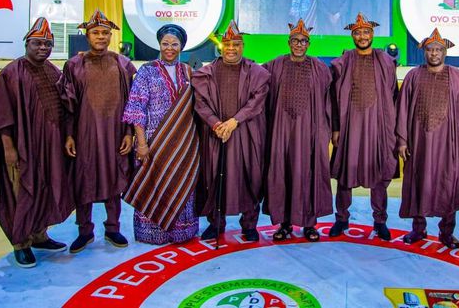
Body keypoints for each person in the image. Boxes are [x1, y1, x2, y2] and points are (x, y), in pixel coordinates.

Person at [0, 18, 73, 268]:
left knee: (47, 188)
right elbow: (2, 115)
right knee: (21, 192)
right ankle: (20, 244)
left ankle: (39, 235)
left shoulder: (53, 71)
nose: (43, 48)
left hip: (50, 146)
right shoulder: (11, 73)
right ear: (27, 44)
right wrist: (8, 148)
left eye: (48, 44)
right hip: (22, 147)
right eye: (37, 43)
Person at [60, 9, 136, 253]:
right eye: (96, 33)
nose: (101, 37)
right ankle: (85, 231)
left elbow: (132, 103)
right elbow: (68, 104)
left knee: (114, 178)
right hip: (85, 134)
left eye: (105, 33)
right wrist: (69, 134)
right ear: (87, 36)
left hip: (115, 133)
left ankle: (113, 228)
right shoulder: (74, 65)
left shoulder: (123, 64)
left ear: (111, 36)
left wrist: (129, 133)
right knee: (84, 180)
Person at [193, 21, 270, 242]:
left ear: (242, 46)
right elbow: (200, 103)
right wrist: (216, 124)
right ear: (221, 46)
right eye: (227, 44)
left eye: (236, 44)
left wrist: (234, 122)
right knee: (215, 177)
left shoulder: (257, 73)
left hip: (246, 133)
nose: (231, 49)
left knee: (250, 177)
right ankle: (216, 224)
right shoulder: (206, 73)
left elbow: (257, 101)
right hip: (216, 135)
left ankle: (249, 225)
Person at [122, 24, 199, 244]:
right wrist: (142, 143)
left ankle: (182, 231)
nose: (169, 48)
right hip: (154, 142)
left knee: (181, 183)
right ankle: (153, 232)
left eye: (174, 44)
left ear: (181, 46)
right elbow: (136, 108)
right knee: (154, 184)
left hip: (184, 143)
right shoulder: (147, 71)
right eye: (165, 43)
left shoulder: (189, 72)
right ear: (159, 44)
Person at [396, 28, 459, 248]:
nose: (434, 53)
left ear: (445, 52)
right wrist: (402, 140)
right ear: (424, 51)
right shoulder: (413, 76)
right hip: (419, 142)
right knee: (418, 183)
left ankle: (447, 232)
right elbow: (402, 109)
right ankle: (418, 229)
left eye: (438, 49)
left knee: (448, 185)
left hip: (449, 144)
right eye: (430, 49)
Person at [329, 13, 398, 240]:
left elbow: (393, 96)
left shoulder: (385, 61)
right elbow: (333, 97)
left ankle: (380, 221)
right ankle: (342, 219)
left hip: (378, 126)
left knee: (379, 175)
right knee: (345, 175)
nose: (362, 36)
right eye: (357, 33)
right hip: (350, 126)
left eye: (366, 32)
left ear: (372, 34)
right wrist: (336, 128)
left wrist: (392, 130)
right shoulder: (342, 62)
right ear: (352, 36)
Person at [263, 19, 333, 242]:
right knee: (283, 173)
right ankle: (284, 224)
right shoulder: (274, 65)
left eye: (303, 41)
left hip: (310, 132)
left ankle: (310, 225)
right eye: (295, 40)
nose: (299, 44)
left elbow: (329, 100)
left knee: (309, 173)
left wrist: (325, 131)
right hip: (282, 131)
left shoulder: (320, 68)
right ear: (289, 42)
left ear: (309, 44)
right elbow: (254, 83)